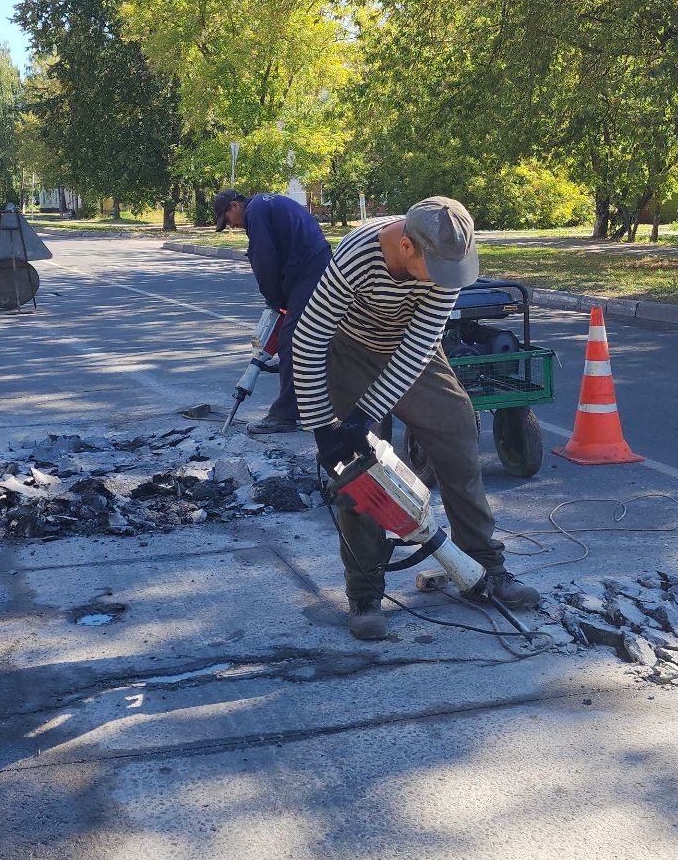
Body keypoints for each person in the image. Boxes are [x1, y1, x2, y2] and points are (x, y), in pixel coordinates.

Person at [291, 196, 540, 640]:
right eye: (438, 270)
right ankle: (365, 592)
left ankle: (485, 567)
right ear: (406, 247)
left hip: (412, 352)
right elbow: (309, 339)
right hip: (349, 350)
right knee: (358, 471)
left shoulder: (447, 259)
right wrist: (324, 427)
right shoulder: (355, 256)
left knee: (458, 433)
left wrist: (367, 413)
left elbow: (419, 345)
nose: (448, 281)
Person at [212, 188, 332, 435]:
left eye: (228, 219)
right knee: (310, 339)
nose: (231, 225)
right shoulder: (265, 205)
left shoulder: (256, 212)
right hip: (311, 266)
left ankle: (285, 415)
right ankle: (315, 404)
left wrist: (275, 301)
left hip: (310, 271)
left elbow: (264, 261)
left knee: (292, 341)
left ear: (235, 206)